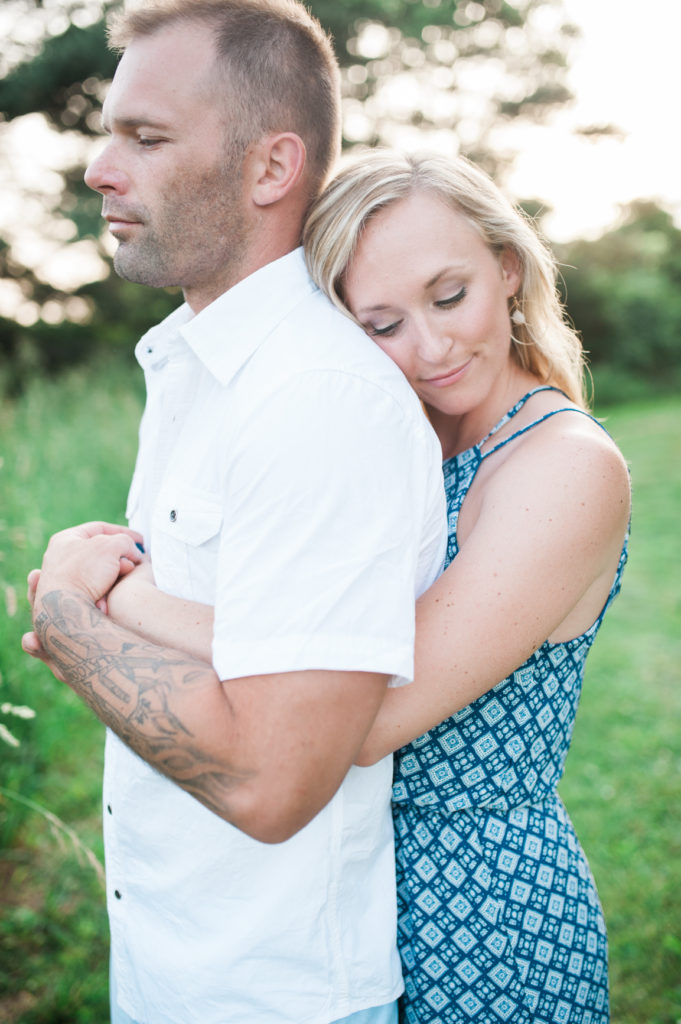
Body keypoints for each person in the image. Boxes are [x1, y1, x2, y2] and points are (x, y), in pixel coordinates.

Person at [104, 149, 631, 1023]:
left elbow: (358, 708)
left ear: (506, 266)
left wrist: (124, 599)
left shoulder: (561, 468)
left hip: (479, 910)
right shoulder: (401, 441)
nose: (428, 348)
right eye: (380, 325)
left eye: (448, 295)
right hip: (351, 899)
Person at [22, 7, 448, 1024]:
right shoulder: (198, 368)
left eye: (148, 136)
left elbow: (270, 779)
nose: (98, 168)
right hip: (174, 977)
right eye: (109, 129)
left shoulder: (315, 399)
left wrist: (72, 621)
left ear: (271, 168)